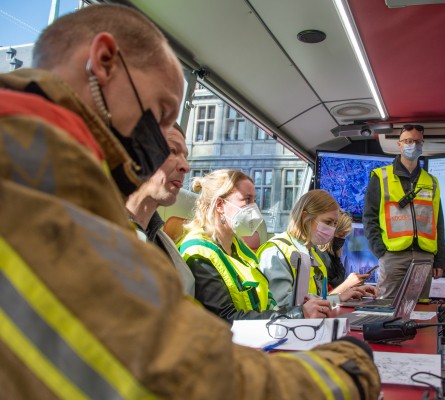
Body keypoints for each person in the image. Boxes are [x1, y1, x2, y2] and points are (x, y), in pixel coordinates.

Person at [0, 5, 381, 399]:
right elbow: (181, 376)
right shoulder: (36, 178)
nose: (165, 147)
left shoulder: (54, 174)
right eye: (163, 114)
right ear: (104, 62)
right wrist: (346, 371)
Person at [178, 169, 332, 322]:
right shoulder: (197, 253)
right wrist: (298, 314)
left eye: (254, 200)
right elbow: (226, 318)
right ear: (220, 205)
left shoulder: (239, 248)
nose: (254, 208)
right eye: (247, 200)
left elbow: (267, 301)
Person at [363, 124, 445, 299]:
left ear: (422, 145)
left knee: (420, 308)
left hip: (424, 256)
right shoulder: (380, 176)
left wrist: (439, 260)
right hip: (393, 255)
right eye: (408, 141)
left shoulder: (432, 181)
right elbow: (369, 218)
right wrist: (381, 252)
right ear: (399, 145)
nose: (413, 145)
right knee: (387, 307)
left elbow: (438, 223)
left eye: (417, 142)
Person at [258, 190, 376, 307]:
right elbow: (281, 306)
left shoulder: (312, 255)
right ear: (305, 217)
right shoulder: (276, 253)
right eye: (328, 222)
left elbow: (318, 302)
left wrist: (340, 298)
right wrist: (339, 296)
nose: (332, 229)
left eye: (335, 224)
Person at [126, 123, 195, 296]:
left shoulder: (162, 240)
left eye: (186, 156)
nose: (186, 167)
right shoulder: (98, 228)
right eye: (172, 150)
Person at [316, 212, 372, 293]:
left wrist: (356, 288)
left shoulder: (334, 258)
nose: (342, 240)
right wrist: (347, 284)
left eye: (344, 236)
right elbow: (323, 298)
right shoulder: (318, 258)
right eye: (340, 235)